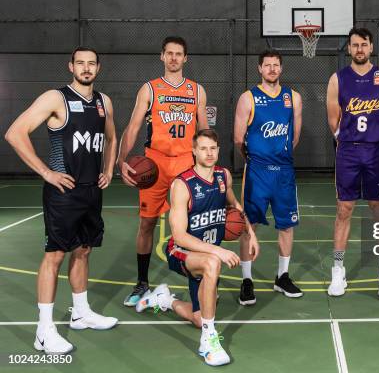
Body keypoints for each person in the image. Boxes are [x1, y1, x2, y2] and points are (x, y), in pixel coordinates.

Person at [4, 47, 118, 354]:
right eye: (80, 62)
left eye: (91, 63)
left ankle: (81, 313)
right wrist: (45, 171)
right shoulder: (56, 98)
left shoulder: (103, 102)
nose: (86, 67)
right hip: (63, 192)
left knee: (83, 250)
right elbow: (15, 133)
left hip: (91, 191)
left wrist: (108, 169)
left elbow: (111, 138)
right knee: (54, 256)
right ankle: (44, 331)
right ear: (71, 66)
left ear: (98, 68)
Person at [136, 129, 259, 366]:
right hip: (181, 252)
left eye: (213, 148)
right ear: (194, 151)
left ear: (218, 150)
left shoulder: (223, 176)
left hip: (206, 252)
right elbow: (180, 236)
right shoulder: (182, 185)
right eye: (203, 148)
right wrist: (219, 251)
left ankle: (164, 299)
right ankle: (208, 341)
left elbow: (234, 204)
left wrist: (250, 233)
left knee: (198, 316)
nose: (209, 153)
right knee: (213, 263)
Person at [117, 36, 208, 306]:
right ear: (162, 56)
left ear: (185, 58)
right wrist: (122, 160)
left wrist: (207, 165)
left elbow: (203, 131)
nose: (173, 58)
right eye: (169, 53)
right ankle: (142, 283)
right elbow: (133, 127)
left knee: (192, 225)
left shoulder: (197, 91)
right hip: (154, 164)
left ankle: (198, 283)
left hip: (185, 164)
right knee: (147, 223)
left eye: (178, 54)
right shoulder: (150, 89)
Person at [326, 27, 379, 297]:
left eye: (363, 45)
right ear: (349, 48)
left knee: (378, 209)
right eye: (355, 45)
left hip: (375, 150)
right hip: (348, 150)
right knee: (344, 208)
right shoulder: (338, 79)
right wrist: (347, 140)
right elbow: (333, 118)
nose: (359, 49)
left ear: (370, 47)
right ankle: (338, 270)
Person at [233, 49, 303, 305]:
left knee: (286, 224)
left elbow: (294, 136)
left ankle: (282, 276)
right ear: (259, 69)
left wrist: (278, 157)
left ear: (281, 69)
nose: (272, 69)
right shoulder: (248, 98)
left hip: (284, 172)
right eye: (267, 65)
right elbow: (239, 138)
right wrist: (257, 159)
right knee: (250, 225)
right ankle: (247, 280)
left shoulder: (292, 97)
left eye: (276, 65)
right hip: (257, 172)